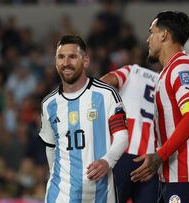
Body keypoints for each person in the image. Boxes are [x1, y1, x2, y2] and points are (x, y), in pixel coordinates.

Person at [130, 11, 189, 203]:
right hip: (172, 176)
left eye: (152, 32)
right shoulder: (167, 72)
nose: (148, 40)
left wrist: (159, 155)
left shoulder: (182, 67)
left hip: (186, 174)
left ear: (164, 35)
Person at [39, 35, 128, 202]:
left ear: (85, 61)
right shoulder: (49, 104)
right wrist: (56, 175)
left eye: (72, 57)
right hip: (60, 193)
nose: (66, 63)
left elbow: (122, 137)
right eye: (61, 57)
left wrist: (106, 161)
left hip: (100, 193)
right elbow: (50, 147)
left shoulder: (106, 94)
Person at [100, 64, 159, 203]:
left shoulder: (133, 71)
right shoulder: (165, 81)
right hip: (151, 160)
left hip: (123, 152)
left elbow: (106, 81)